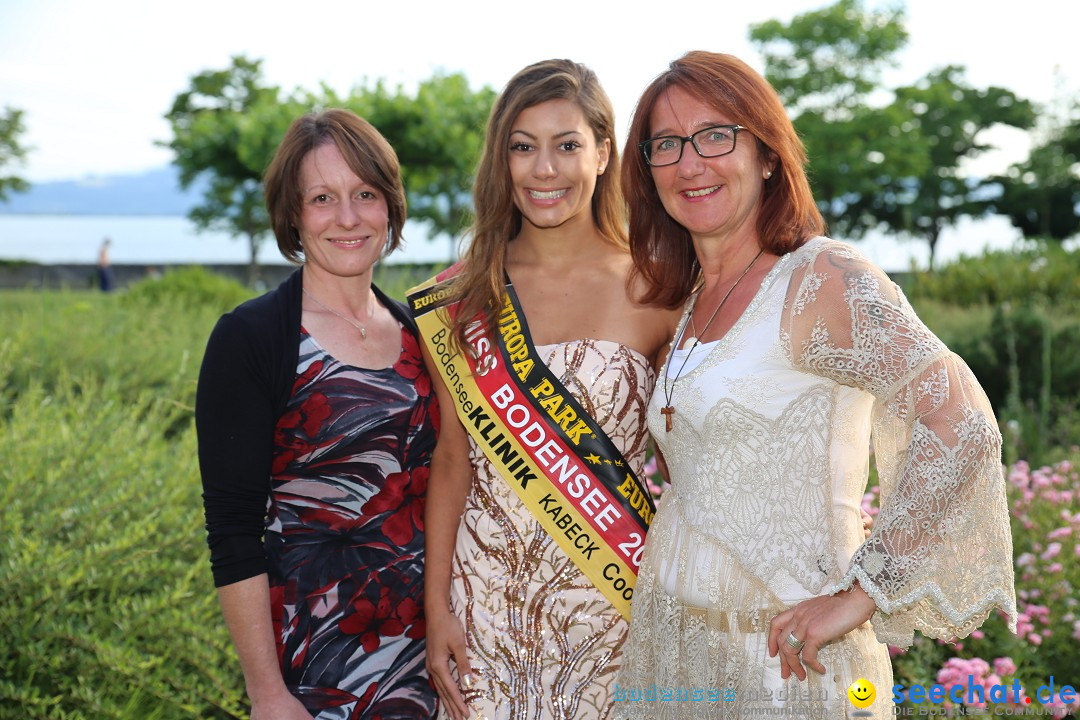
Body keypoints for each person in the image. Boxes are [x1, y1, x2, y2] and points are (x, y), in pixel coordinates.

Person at [613, 52, 1017, 719]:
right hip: (679, 654)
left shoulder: (820, 278)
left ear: (767, 155)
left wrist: (862, 593)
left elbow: (960, 421)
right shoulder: (689, 299)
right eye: (667, 144)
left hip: (787, 670)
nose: (690, 163)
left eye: (717, 135)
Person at [409, 59, 679, 720]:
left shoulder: (659, 287)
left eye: (566, 146)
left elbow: (688, 454)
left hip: (612, 602)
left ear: (604, 152)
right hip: (483, 613)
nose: (544, 169)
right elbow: (451, 459)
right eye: (523, 147)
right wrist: (437, 608)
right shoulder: (459, 295)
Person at [195, 108, 439, 720]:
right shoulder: (252, 338)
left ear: (390, 206)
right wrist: (266, 693)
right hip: (315, 671)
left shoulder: (421, 334)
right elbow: (231, 531)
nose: (349, 217)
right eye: (323, 198)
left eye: (365, 194)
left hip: (430, 665)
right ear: (294, 215)